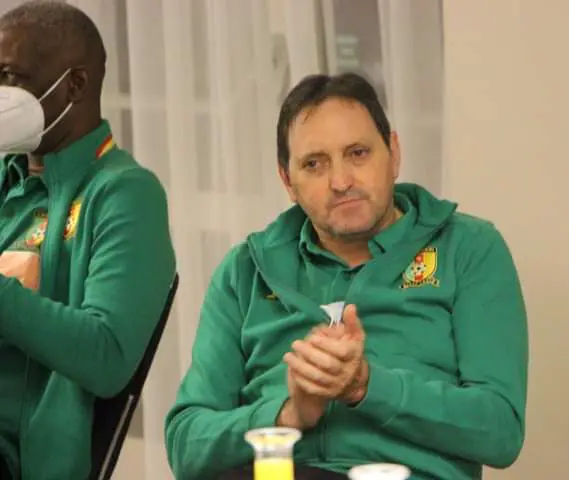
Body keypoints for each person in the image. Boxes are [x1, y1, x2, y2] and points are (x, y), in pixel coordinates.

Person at [165, 72, 528, 480]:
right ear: (288, 181)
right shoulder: (245, 270)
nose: (340, 182)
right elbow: (185, 444)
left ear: (393, 153)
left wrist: (366, 387)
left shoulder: (467, 248)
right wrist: (288, 414)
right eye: (314, 164)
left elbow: (500, 431)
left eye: (358, 153)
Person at [0, 1, 176, 479]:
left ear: (74, 85)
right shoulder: (8, 177)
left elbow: (107, 355)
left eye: (10, 77)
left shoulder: (125, 193)